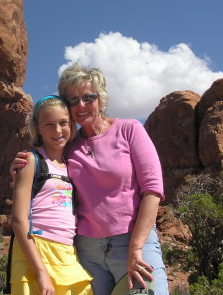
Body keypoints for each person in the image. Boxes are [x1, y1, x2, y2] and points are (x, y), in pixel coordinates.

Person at [11, 65, 169, 295]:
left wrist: (136, 247)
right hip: (87, 253)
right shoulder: (68, 146)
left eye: (88, 97)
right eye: (73, 100)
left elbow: (153, 190)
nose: (81, 105)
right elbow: (46, 170)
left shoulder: (129, 130)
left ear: (101, 98)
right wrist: (18, 166)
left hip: (133, 240)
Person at [9, 95, 93, 295]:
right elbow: (18, 220)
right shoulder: (30, 160)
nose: (57, 131)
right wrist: (41, 272)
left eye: (63, 123)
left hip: (68, 253)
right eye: (49, 124)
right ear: (37, 127)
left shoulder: (71, 163)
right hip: (37, 251)